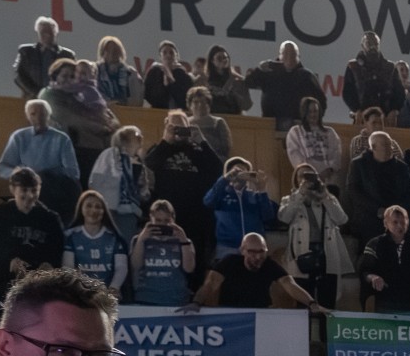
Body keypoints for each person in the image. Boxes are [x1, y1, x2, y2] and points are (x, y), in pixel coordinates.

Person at [144, 111, 222, 266]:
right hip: (167, 215)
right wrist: (166, 140)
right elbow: (149, 164)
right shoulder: (160, 149)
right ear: (167, 126)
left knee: (195, 260)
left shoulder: (198, 151)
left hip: (195, 216)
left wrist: (202, 141)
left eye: (182, 128)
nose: (179, 132)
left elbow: (218, 169)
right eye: (174, 127)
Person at [0, 168, 66, 299]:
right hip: (7, 281)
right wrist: (9, 261)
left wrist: (49, 264)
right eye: (24, 190)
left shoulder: (51, 219)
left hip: (40, 282)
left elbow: (57, 251)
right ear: (13, 189)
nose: (29, 195)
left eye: (34, 190)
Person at [280, 166, 354, 310]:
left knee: (328, 303)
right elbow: (284, 217)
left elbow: (342, 219)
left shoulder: (327, 198)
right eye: (301, 176)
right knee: (303, 304)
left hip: (326, 254)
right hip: (301, 254)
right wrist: (301, 193)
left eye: (310, 175)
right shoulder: (290, 199)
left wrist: (325, 195)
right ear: (296, 180)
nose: (306, 179)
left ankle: (326, 325)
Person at [0, 98, 81, 222]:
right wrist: (18, 172)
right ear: (27, 116)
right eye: (33, 114)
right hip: (26, 190)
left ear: (49, 116)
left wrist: (45, 174)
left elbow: (73, 172)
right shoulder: (19, 137)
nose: (38, 118)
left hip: (54, 191)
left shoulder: (61, 139)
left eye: (42, 114)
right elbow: (1, 168)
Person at [194, 232, 325, 311]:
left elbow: (289, 284)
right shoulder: (229, 262)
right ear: (242, 251)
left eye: (262, 252)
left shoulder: (269, 264)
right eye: (252, 252)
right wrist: (196, 302)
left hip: (260, 311)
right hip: (231, 311)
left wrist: (312, 303)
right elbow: (210, 284)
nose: (257, 257)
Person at [358, 206, 410, 314]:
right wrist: (373, 277)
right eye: (395, 222)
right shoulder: (375, 244)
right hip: (385, 304)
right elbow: (365, 270)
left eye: (403, 222)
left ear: (408, 222)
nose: (399, 226)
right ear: (386, 223)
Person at [350, 133, 410, 248]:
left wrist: (395, 211)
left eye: (390, 144)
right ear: (373, 147)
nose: (390, 148)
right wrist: (378, 210)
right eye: (385, 145)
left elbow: (409, 192)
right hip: (369, 217)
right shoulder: (359, 164)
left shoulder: (401, 167)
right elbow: (354, 192)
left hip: (396, 217)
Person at [204, 157, 275, 260]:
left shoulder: (254, 195)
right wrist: (224, 179)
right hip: (227, 246)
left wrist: (262, 190)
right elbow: (208, 201)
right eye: (237, 170)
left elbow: (268, 216)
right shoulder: (221, 195)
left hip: (253, 248)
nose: (240, 173)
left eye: (244, 171)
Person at [128, 200, 196, 307]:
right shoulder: (138, 240)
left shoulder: (184, 242)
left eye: (166, 220)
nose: (162, 224)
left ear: (173, 219)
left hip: (176, 299)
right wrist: (141, 240)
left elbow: (189, 269)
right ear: (151, 219)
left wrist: (183, 240)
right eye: (158, 220)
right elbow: (136, 265)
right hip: (146, 298)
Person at [88, 124, 149, 242]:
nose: (140, 137)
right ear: (124, 139)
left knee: (126, 243)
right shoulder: (110, 154)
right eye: (136, 135)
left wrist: (142, 184)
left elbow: (144, 193)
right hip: (109, 208)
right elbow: (95, 180)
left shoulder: (139, 162)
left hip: (130, 211)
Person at [245, 41, 325, 132]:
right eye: (285, 54)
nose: (289, 58)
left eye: (293, 54)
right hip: (270, 124)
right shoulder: (268, 71)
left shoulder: (307, 76)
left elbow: (321, 102)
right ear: (279, 55)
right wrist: (259, 69)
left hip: (299, 126)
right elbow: (249, 82)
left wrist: (313, 123)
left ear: (299, 56)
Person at [61, 190, 128, 294]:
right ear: (81, 208)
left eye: (98, 207)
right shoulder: (70, 236)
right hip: (79, 295)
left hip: (106, 296)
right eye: (89, 206)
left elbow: (121, 267)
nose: (93, 210)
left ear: (104, 211)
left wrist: (113, 288)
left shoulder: (114, 238)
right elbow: (68, 267)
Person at [286, 96, 343, 188]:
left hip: (329, 180)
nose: (313, 114)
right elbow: (295, 155)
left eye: (315, 111)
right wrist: (311, 174)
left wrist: (329, 170)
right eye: (309, 111)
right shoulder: (295, 132)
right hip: (307, 180)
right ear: (304, 113)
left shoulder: (330, 132)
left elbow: (336, 153)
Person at [13, 17, 73, 99]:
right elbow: (18, 75)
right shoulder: (26, 51)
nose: (47, 35)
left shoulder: (67, 55)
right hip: (32, 97)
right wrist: (37, 93)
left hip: (59, 99)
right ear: (38, 32)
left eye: (50, 32)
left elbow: (73, 78)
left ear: (56, 33)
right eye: (43, 32)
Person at [195, 45, 251, 116]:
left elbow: (247, 105)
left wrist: (236, 94)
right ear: (212, 60)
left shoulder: (237, 80)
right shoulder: (202, 80)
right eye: (219, 58)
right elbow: (194, 102)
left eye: (225, 58)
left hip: (233, 116)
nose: (223, 60)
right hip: (210, 116)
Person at [142, 40, 193, 111]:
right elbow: (148, 95)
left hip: (178, 111)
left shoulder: (182, 74)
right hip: (157, 111)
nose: (168, 55)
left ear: (176, 56)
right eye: (164, 53)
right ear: (160, 56)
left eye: (171, 53)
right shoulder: (154, 72)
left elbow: (186, 97)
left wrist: (172, 82)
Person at [184, 85, 233, 159]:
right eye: (196, 102)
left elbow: (226, 149)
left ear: (208, 104)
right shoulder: (185, 122)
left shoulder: (218, 122)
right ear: (190, 105)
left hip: (214, 159)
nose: (200, 105)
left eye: (203, 102)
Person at [92, 37, 142, 107]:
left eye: (115, 50)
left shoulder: (130, 73)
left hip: (126, 111)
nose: (112, 53)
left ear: (121, 52)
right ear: (102, 52)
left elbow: (137, 98)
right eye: (108, 50)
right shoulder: (94, 71)